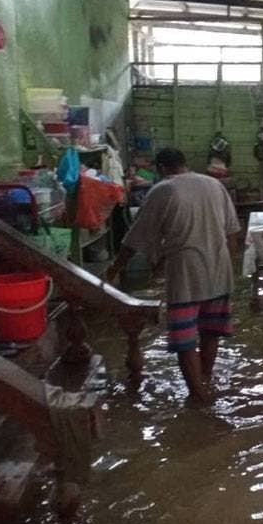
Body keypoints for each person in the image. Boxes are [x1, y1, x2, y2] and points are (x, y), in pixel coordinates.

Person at [106, 147, 241, 404]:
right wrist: (228, 264)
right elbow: (233, 233)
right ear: (185, 163)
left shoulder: (163, 190)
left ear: (160, 169)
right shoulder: (214, 184)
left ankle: (197, 394)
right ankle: (205, 381)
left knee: (185, 337)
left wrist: (114, 269)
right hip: (219, 267)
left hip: (185, 272)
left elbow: (134, 240)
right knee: (211, 331)